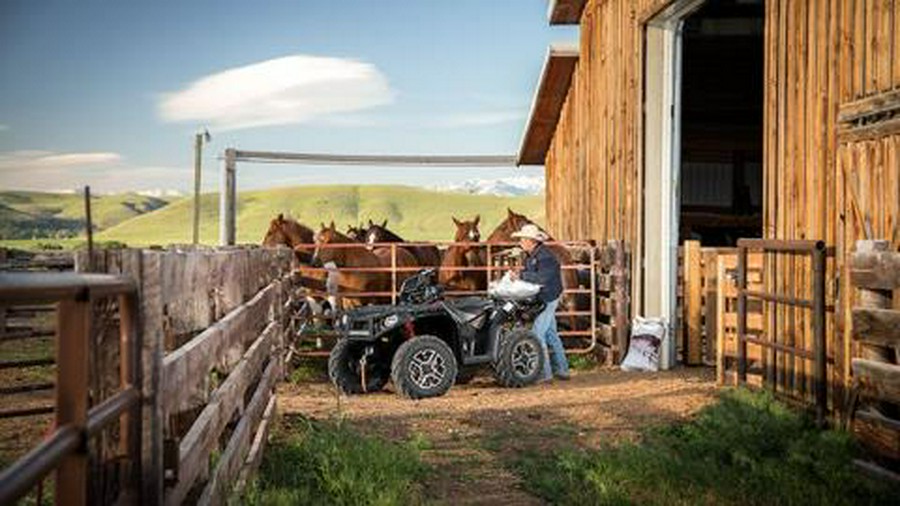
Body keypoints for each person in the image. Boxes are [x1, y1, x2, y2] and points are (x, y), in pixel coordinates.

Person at [510, 224, 571, 381]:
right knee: (551, 333)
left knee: (538, 333)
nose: (521, 242)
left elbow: (542, 279)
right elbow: (536, 275)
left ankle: (545, 373)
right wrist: (522, 273)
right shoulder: (536, 255)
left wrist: (521, 276)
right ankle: (562, 369)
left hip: (548, 297)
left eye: (523, 239)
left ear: (532, 241)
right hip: (548, 296)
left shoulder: (545, 257)